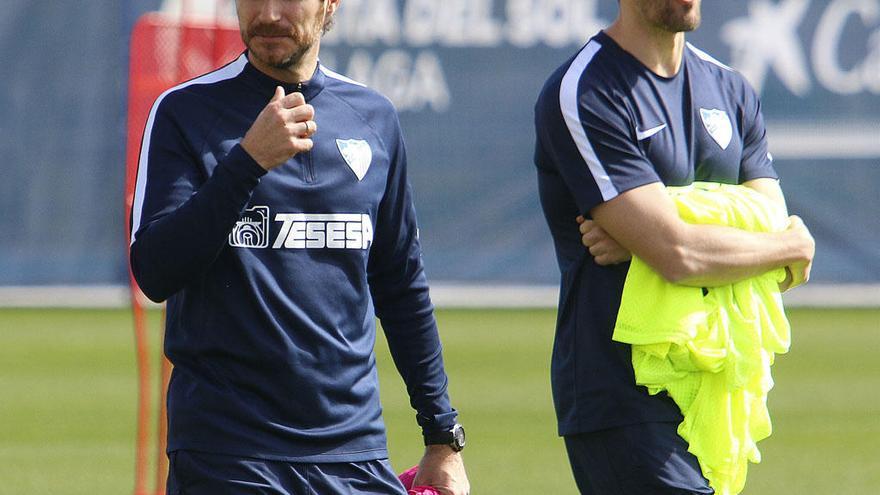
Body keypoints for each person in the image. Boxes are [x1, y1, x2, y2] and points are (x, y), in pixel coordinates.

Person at [129, 1, 469, 493]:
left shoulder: (373, 118)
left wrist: (442, 437)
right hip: (229, 456)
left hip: (354, 453)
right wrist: (247, 163)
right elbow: (155, 270)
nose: (268, 14)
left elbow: (401, 288)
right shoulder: (185, 112)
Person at [532, 0, 815, 493]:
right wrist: (776, 244)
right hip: (626, 394)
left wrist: (661, 223)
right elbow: (680, 256)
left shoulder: (730, 87)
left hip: (717, 392)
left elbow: (771, 232)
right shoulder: (586, 88)